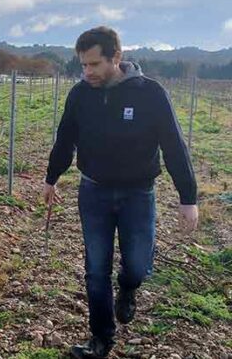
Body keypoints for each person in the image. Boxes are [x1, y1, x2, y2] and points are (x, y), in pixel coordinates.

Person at [42, 26, 198, 358]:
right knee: (96, 270)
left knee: (138, 265)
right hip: (94, 192)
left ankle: (128, 287)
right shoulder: (80, 94)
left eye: (94, 64)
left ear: (117, 57)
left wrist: (188, 197)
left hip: (138, 195)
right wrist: (51, 177)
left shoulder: (150, 93)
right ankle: (101, 339)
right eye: (83, 65)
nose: (87, 72)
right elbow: (65, 138)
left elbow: (173, 145)